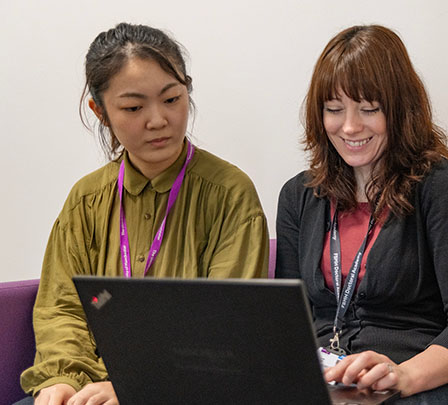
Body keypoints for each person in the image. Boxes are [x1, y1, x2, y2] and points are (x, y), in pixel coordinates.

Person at [17, 23, 269, 405]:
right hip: (93, 388)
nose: (158, 120)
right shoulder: (86, 200)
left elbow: (225, 325)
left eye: (172, 99)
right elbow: (62, 308)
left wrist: (136, 386)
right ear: (100, 112)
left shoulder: (229, 194)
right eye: (134, 107)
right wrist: (62, 379)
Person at [275, 25, 448, 403]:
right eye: (334, 109)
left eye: (369, 109)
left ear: (399, 110)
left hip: (416, 384)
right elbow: (286, 324)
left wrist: (403, 376)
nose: (349, 126)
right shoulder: (300, 195)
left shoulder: (439, 185)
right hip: (327, 387)